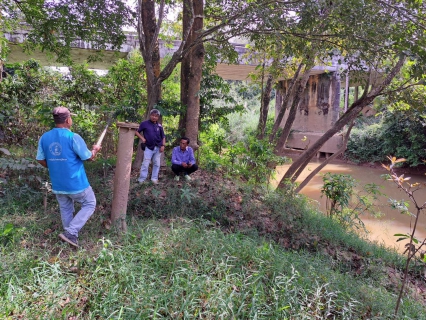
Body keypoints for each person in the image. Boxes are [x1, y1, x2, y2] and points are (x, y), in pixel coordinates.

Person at [36, 107, 101, 248]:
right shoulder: (73, 137)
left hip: (58, 184)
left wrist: (54, 165)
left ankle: (69, 237)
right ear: (67, 120)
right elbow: (88, 157)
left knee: (65, 208)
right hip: (76, 184)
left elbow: (40, 159)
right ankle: (71, 232)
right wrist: (95, 150)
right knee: (90, 203)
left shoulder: (44, 137)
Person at [135, 109, 166, 184]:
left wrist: (163, 145)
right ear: (150, 115)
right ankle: (142, 180)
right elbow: (136, 131)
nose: (154, 117)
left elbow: (163, 136)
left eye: (156, 116)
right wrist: (142, 138)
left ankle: (154, 179)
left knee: (156, 163)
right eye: (153, 115)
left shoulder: (159, 126)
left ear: (158, 117)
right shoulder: (144, 124)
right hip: (148, 147)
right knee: (145, 163)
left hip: (158, 147)